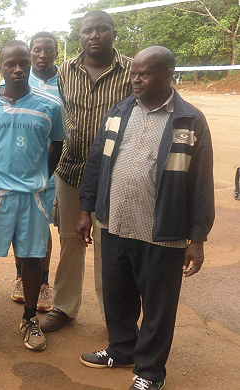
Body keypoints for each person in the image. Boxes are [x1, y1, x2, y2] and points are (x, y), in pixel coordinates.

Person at [78, 46, 214, 390]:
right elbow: (97, 162)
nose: (135, 79)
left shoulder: (189, 120)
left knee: (158, 308)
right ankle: (121, 349)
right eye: (134, 73)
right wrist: (86, 208)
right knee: (117, 296)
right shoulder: (119, 111)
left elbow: (200, 183)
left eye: (144, 73)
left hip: (162, 233)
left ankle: (150, 372)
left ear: (168, 75)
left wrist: (197, 238)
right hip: (116, 223)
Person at [0, 40, 65, 351]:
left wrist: (41, 177)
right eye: (11, 64)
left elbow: (57, 145)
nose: (19, 68)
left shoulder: (49, 106)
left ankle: (29, 318)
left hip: (33, 197)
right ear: (0, 67)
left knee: (33, 258)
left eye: (23, 62)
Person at [41, 10, 132, 333]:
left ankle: (114, 316)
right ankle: (65, 307)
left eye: (102, 29)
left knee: (110, 246)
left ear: (113, 34)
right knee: (70, 242)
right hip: (71, 169)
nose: (94, 35)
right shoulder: (65, 71)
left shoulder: (131, 70)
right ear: (79, 37)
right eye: (87, 31)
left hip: (114, 174)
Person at [10, 31, 62, 312]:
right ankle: (20, 277)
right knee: (19, 229)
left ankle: (43, 283)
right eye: (37, 50)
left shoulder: (65, 83)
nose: (43, 55)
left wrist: (47, 170)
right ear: (30, 53)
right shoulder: (19, 80)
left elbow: (59, 136)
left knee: (41, 228)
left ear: (56, 52)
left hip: (48, 169)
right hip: (15, 171)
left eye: (48, 50)